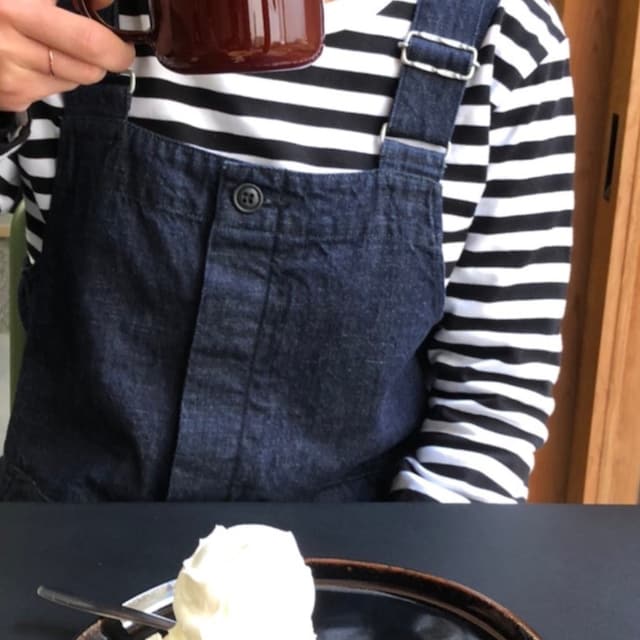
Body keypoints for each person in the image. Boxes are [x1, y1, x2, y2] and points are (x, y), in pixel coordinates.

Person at [0, 0, 575, 502]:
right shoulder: (48, 14)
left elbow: (492, 399)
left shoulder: (505, 40)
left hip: (352, 569)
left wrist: (404, 590)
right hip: (62, 556)